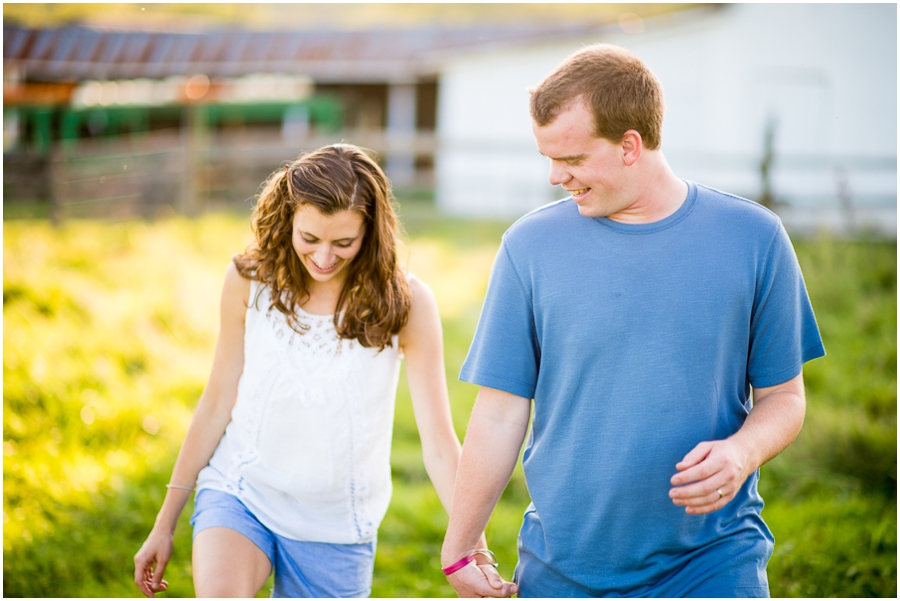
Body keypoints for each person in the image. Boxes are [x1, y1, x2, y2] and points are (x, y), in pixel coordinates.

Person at [441, 44, 825, 598]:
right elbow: (500, 413)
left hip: (714, 564)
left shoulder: (755, 239)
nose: (555, 176)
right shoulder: (528, 247)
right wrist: (460, 546)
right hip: (564, 569)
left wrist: (743, 451)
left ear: (630, 146)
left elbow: (784, 398)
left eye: (572, 161)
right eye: (547, 158)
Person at [134, 144, 496, 598]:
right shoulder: (249, 280)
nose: (325, 257)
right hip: (242, 491)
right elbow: (217, 401)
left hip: (337, 524)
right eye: (310, 238)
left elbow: (441, 444)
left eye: (344, 242)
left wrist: (473, 553)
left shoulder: (407, 303)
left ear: (371, 231)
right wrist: (164, 523)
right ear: (287, 220)